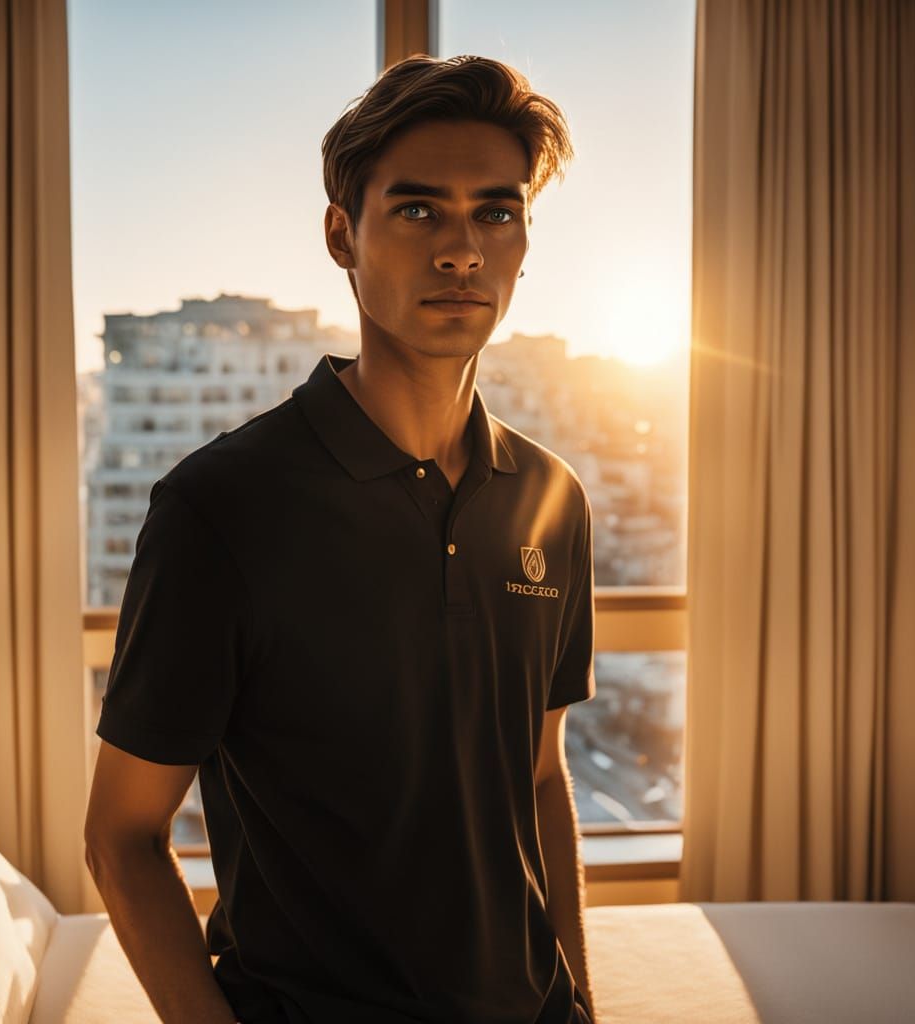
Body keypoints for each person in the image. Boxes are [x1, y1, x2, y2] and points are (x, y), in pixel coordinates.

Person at [84, 54, 597, 1024]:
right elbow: (122, 836)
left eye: (496, 212)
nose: (462, 250)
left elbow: (538, 776)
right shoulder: (220, 508)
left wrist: (581, 1003)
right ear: (341, 235)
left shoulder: (550, 499)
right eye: (418, 209)